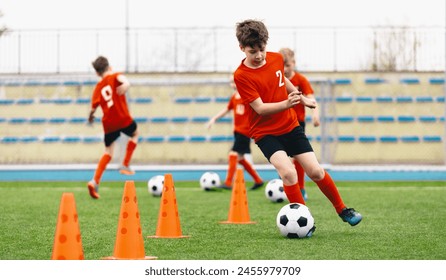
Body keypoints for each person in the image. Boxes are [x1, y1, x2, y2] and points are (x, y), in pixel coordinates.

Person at [233, 19, 362, 228]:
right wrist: (287, 103)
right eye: (252, 51)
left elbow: (284, 82)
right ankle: (306, 221)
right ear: (242, 49)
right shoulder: (241, 75)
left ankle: (342, 209)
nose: (258, 55)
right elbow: (260, 108)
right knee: (288, 173)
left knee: (316, 172)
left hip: (290, 126)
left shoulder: (276, 59)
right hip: (265, 133)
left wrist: (302, 99)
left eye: (261, 49)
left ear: (266, 44)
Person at [86, 56, 138, 199]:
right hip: (123, 118)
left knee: (108, 152)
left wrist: (90, 117)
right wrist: (126, 85)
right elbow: (124, 81)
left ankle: (94, 181)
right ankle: (125, 165)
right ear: (110, 67)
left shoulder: (98, 88)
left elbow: (92, 109)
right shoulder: (116, 76)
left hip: (109, 123)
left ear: (97, 73)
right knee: (135, 134)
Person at [206, 75, 264, 190]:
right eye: (230, 82)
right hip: (237, 131)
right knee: (240, 158)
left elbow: (258, 108)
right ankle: (258, 180)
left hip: (245, 131)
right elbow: (227, 109)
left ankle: (228, 183)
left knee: (233, 154)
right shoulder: (234, 97)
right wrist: (214, 119)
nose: (232, 84)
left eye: (233, 81)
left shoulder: (247, 95)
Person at [279, 47, 320, 201]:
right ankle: (289, 186)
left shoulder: (301, 80)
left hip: (297, 123)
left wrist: (315, 115)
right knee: (284, 160)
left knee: (297, 158)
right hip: (280, 123)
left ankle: (301, 189)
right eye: (282, 66)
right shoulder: (278, 79)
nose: (285, 69)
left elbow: (311, 98)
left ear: (294, 63)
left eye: (288, 65)